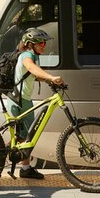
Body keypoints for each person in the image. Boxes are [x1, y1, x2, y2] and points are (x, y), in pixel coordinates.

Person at [7, 27, 64, 179]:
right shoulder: (26, 55)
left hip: (24, 100)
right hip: (17, 100)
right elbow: (31, 68)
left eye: (44, 43)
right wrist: (51, 77)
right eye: (41, 43)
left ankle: (25, 169)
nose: (44, 45)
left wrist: (48, 81)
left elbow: (33, 75)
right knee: (24, 137)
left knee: (26, 136)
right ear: (31, 44)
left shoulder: (34, 56)